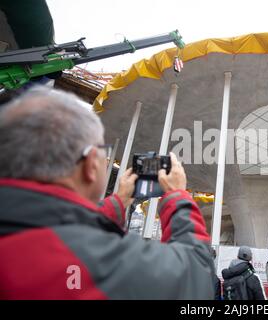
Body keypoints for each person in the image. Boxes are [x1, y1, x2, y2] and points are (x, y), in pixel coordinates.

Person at [0, 87, 216, 299]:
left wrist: (118, 202)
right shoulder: (98, 260)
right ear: (91, 165)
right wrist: (177, 196)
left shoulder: (31, 236)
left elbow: (64, 226)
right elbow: (195, 274)